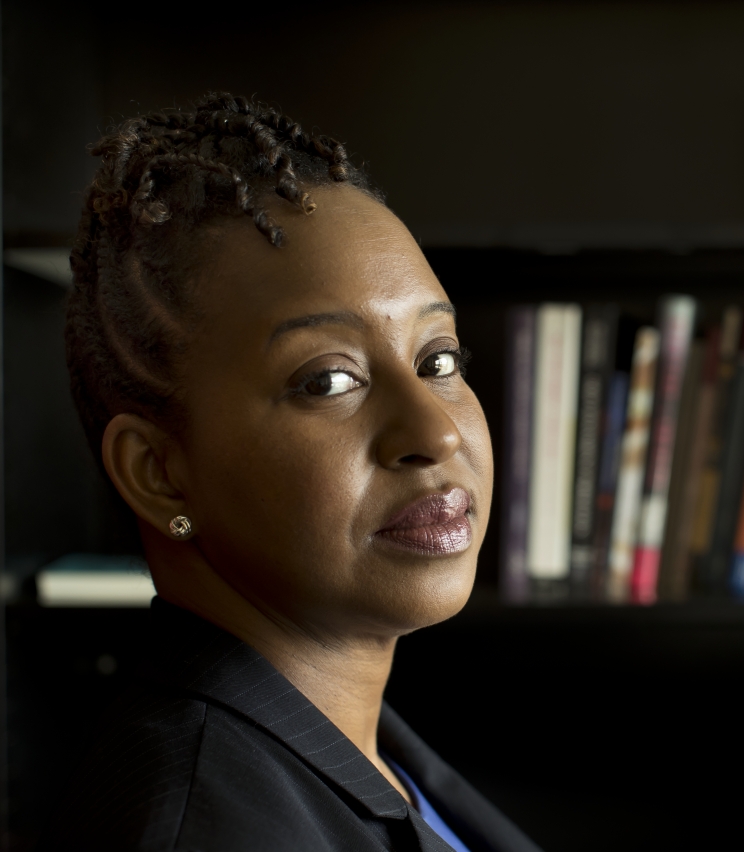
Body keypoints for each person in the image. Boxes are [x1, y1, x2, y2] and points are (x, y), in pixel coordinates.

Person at [38, 94, 541, 852]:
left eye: (438, 361)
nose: (436, 431)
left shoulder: (362, 749)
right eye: (328, 381)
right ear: (158, 474)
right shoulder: (204, 828)